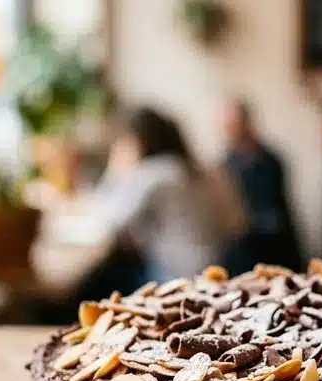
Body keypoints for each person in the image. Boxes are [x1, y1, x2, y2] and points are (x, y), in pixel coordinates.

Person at [89, 107, 244, 283]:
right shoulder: (196, 167)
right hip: (220, 263)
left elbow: (106, 221)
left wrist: (114, 172)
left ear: (136, 142)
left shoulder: (154, 174)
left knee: (107, 280)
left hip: (180, 275)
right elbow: (237, 225)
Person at [219, 99, 302, 274]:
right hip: (243, 253)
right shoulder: (225, 164)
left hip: (275, 248)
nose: (229, 130)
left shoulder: (270, 160)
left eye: (233, 125)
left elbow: (274, 210)